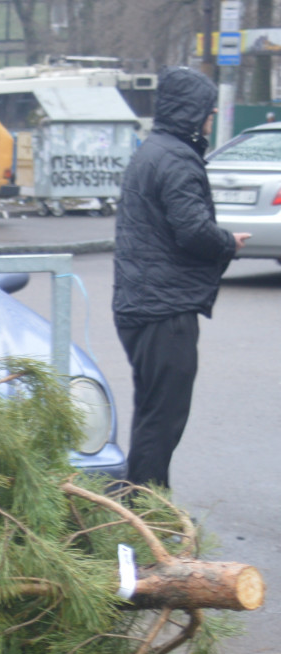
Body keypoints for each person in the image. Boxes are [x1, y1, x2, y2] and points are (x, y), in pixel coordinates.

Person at [112, 66, 250, 491]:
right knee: (163, 419)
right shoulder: (175, 159)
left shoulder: (154, 150)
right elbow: (192, 231)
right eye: (208, 113)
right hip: (163, 309)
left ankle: (142, 509)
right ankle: (149, 515)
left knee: (153, 412)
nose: (210, 121)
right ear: (192, 114)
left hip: (142, 304)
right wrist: (229, 242)